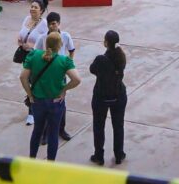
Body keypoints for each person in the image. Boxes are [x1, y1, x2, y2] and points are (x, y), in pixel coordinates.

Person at [21, 32, 82, 161]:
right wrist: (63, 90)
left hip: (37, 101)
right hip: (55, 102)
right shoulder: (64, 61)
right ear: (60, 45)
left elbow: (23, 77)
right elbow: (77, 79)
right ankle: (50, 164)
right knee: (53, 133)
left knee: (37, 131)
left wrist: (30, 94)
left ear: (45, 43)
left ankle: (31, 160)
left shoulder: (34, 55)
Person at [34, 12, 76, 144]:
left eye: (54, 24)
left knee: (61, 103)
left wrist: (68, 65)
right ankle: (45, 133)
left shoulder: (65, 36)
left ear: (59, 24)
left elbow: (72, 50)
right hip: (46, 76)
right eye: (50, 24)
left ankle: (61, 130)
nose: (52, 27)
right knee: (46, 104)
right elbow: (36, 54)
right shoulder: (42, 38)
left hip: (60, 76)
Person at [90, 30, 127, 166]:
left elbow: (92, 69)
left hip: (101, 96)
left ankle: (99, 155)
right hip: (118, 95)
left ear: (106, 42)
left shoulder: (101, 59)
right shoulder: (121, 57)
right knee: (118, 126)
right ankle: (119, 154)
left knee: (99, 126)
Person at [17, 0, 50, 126]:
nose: (32, 9)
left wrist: (31, 47)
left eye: (35, 7)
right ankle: (33, 105)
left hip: (37, 57)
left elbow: (46, 42)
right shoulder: (26, 19)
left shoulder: (44, 24)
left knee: (34, 83)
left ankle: (32, 112)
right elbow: (21, 35)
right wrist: (21, 43)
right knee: (28, 81)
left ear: (41, 11)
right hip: (26, 57)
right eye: (31, 6)